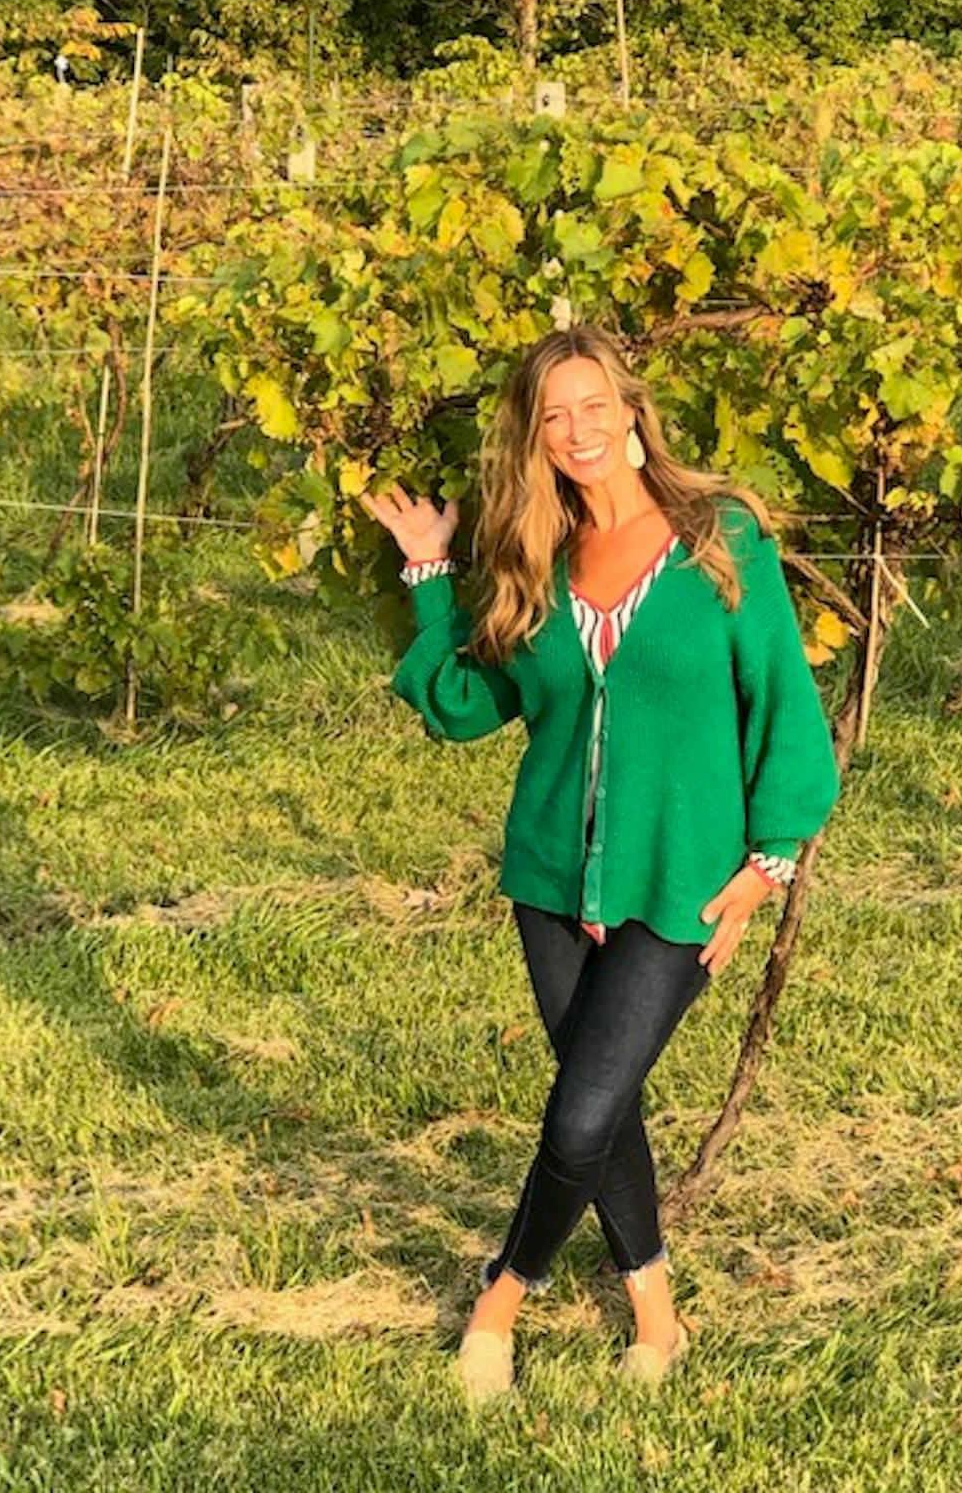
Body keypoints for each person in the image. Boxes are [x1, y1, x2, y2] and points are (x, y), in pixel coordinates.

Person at [359, 323, 840, 1402]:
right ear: (535, 439)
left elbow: (785, 712)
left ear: (631, 411)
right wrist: (434, 571)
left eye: (590, 405)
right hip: (549, 879)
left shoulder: (721, 541)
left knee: (578, 1116)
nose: (574, 431)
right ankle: (657, 1322)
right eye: (550, 417)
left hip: (680, 883)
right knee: (602, 1105)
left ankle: (501, 1296)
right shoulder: (537, 558)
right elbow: (466, 704)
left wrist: (767, 866)